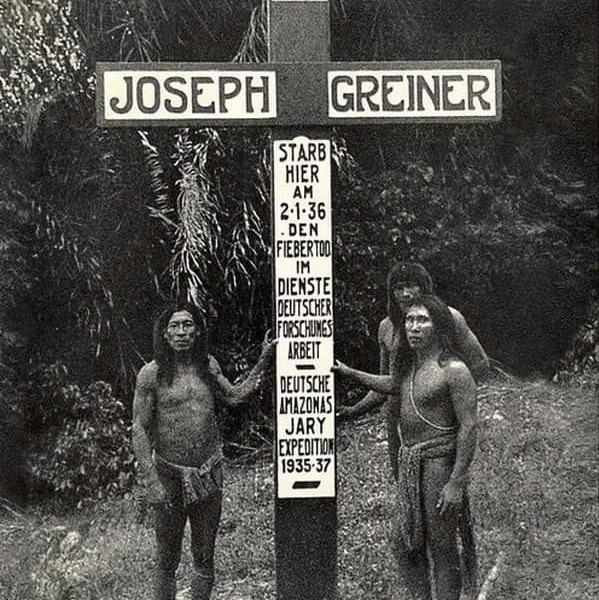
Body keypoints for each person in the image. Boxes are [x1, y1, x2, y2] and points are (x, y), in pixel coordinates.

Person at [332, 294, 478, 600]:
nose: (413, 327)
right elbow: (391, 384)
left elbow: (469, 426)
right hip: (412, 460)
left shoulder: (454, 370)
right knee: (404, 543)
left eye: (422, 320)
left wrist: (455, 482)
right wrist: (349, 372)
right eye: (409, 320)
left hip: (439, 461)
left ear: (439, 326)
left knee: (442, 545)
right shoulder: (411, 365)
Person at [132, 301, 273, 600]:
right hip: (169, 474)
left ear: (196, 332)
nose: (182, 332)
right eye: (175, 326)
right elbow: (139, 429)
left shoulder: (207, 366)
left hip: (208, 472)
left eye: (187, 325)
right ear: (165, 334)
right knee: (167, 558)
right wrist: (150, 481)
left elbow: (234, 397)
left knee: (204, 554)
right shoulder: (151, 374)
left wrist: (263, 359)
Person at [337, 261, 488, 418]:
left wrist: (453, 399)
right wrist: (354, 409)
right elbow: (386, 383)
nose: (405, 294)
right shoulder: (386, 328)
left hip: (442, 418)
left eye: (410, 286)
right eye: (399, 288)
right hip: (399, 416)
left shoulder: (449, 318)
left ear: (424, 287)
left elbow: (480, 363)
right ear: (391, 293)